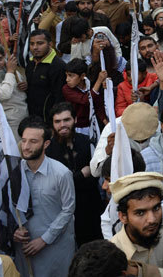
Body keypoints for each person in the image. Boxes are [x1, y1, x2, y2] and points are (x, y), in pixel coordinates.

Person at [14, 116, 76, 277]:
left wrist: (44, 239)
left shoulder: (61, 173)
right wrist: (13, 230)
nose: (26, 147)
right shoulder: (14, 172)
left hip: (56, 249)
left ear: (46, 144)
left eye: (33, 141)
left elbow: (68, 210)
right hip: (25, 248)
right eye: (24, 140)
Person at [45, 102, 104, 245]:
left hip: (90, 207)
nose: (62, 125)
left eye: (67, 120)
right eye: (57, 121)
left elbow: (95, 175)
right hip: (62, 211)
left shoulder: (86, 143)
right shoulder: (48, 150)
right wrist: (81, 175)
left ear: (75, 120)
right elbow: (54, 184)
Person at [109, 172, 163, 268]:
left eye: (156, 208)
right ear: (123, 217)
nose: (152, 220)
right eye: (140, 213)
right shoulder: (113, 255)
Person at [25, 29, 66, 119]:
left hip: (48, 119)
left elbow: (59, 98)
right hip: (32, 117)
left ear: (50, 44)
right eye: (32, 44)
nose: (35, 47)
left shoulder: (58, 66)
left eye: (40, 43)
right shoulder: (31, 63)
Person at [0, 45, 27, 137]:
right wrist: (10, 71)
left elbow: (20, 93)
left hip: (24, 119)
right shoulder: (10, 70)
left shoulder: (11, 70)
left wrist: (25, 86)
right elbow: (4, 94)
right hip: (8, 124)